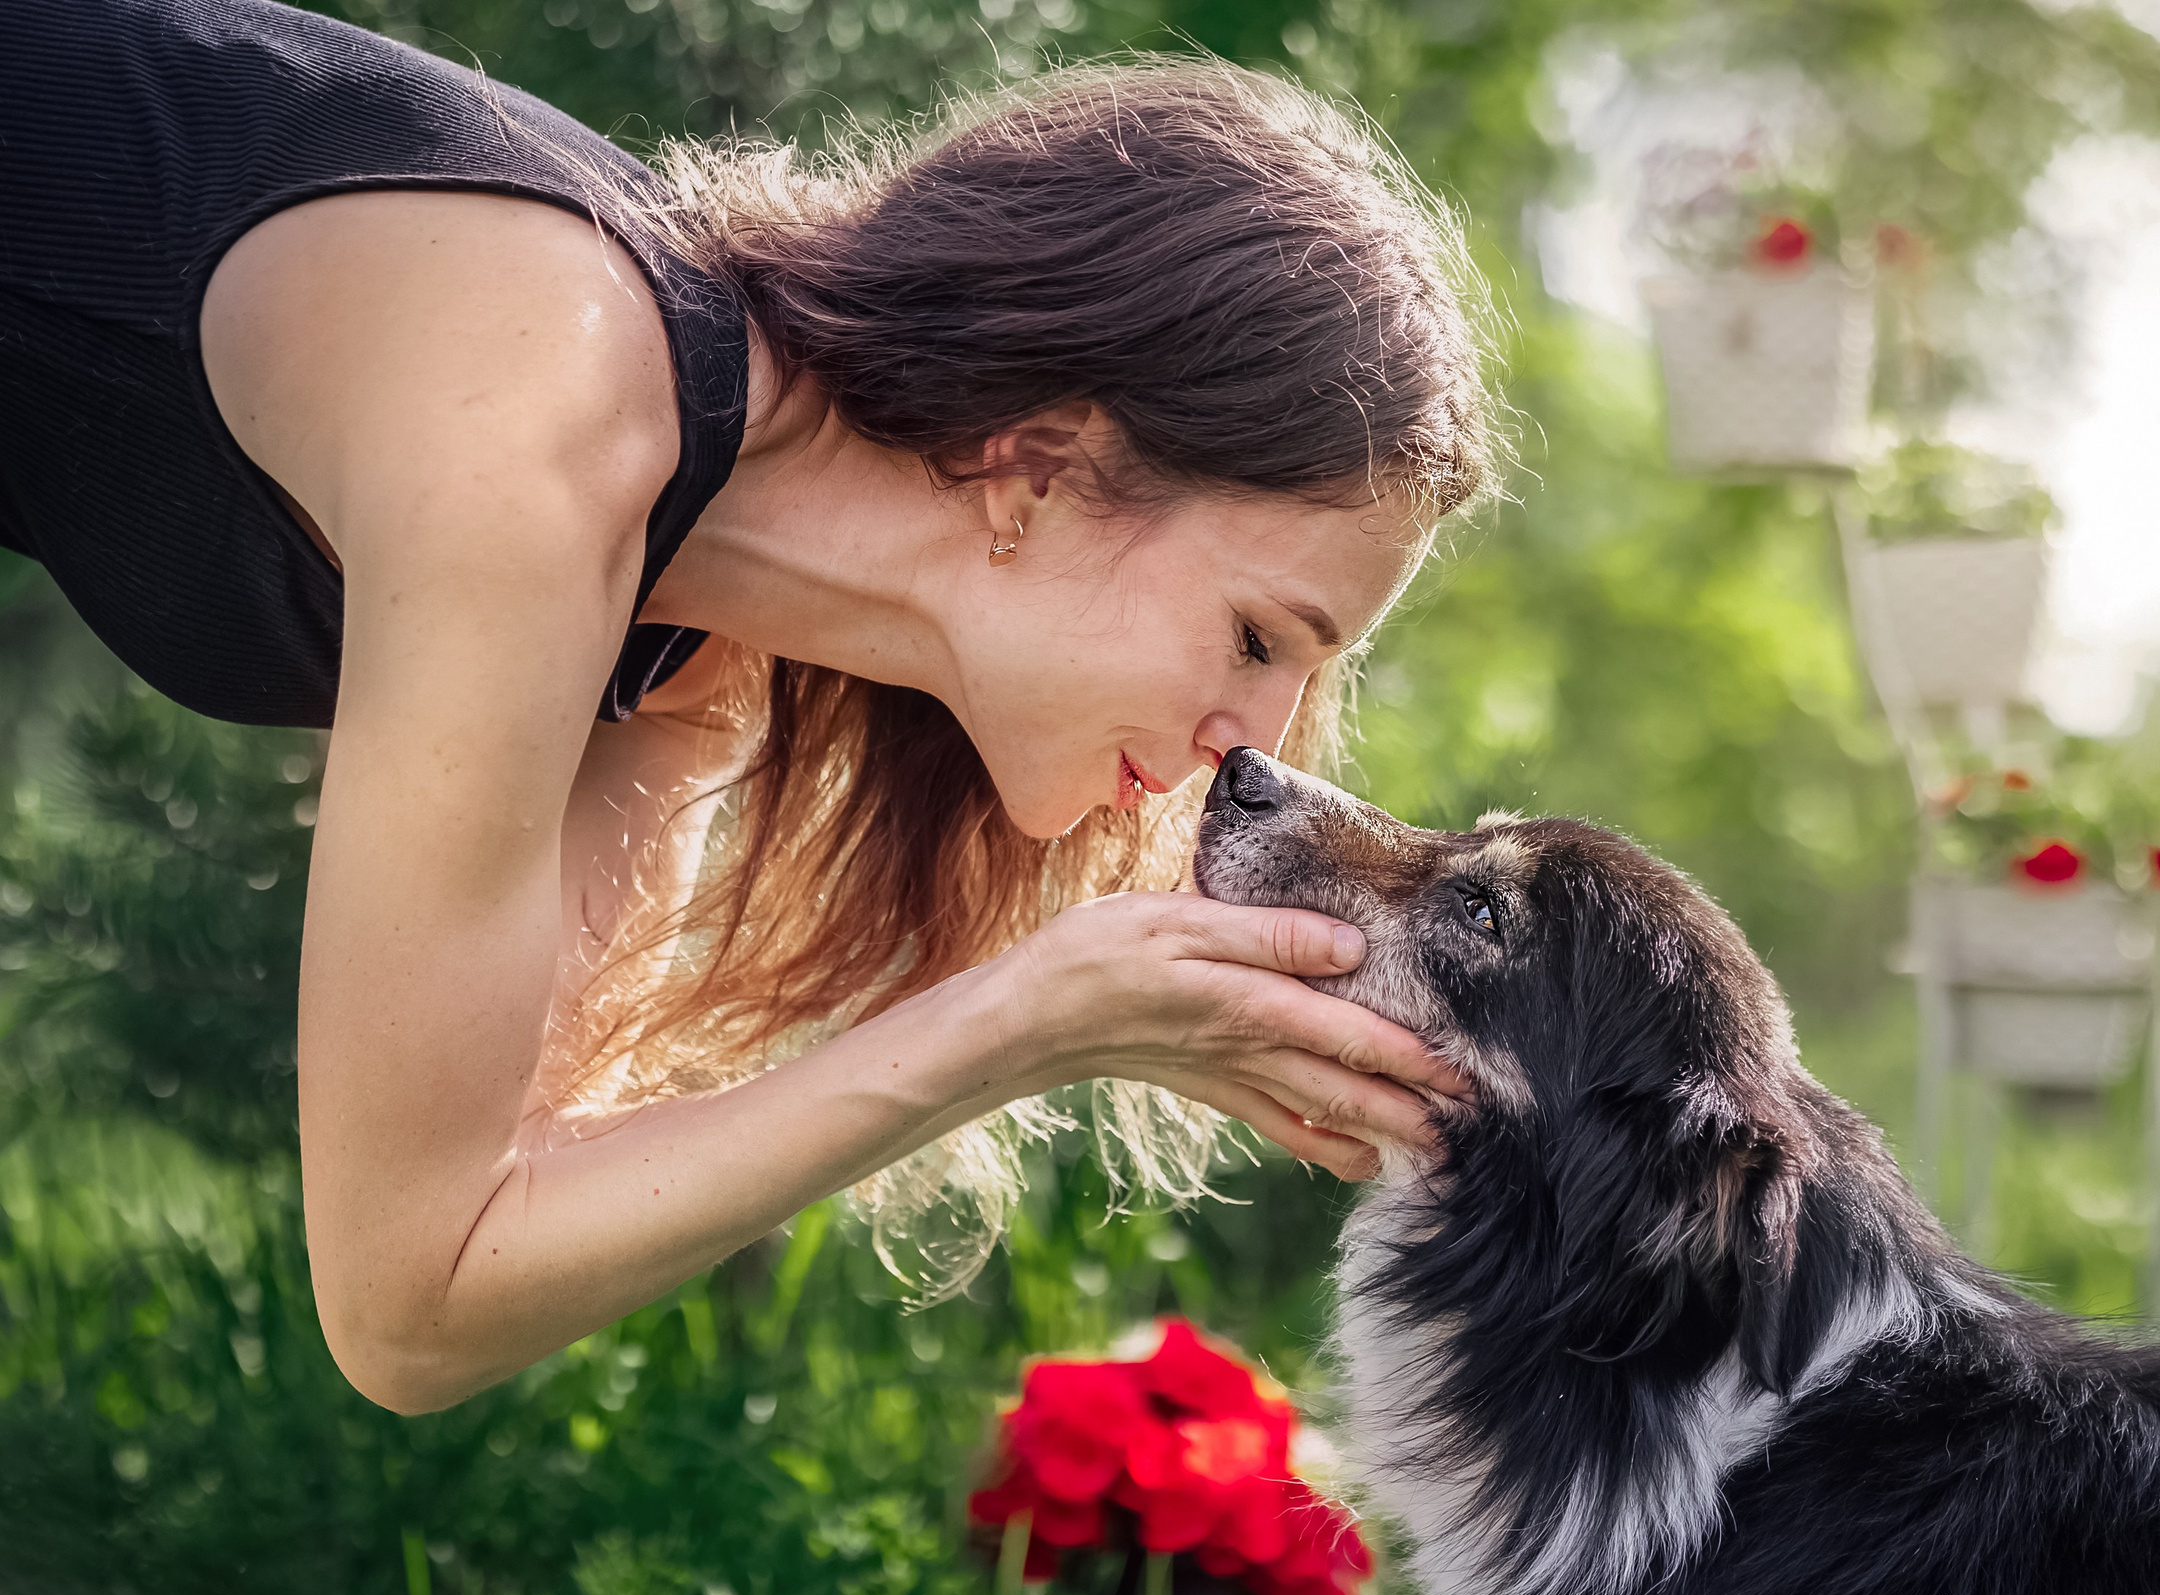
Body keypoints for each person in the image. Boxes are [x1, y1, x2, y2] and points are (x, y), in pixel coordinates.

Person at [0, 0, 1496, 1413]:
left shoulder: (683, 654)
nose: (1264, 743)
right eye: (1255, 635)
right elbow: (402, 1294)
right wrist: (1025, 1024)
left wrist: (1074, 1023)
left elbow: (491, 1242)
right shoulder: (548, 426)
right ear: (1036, 466)